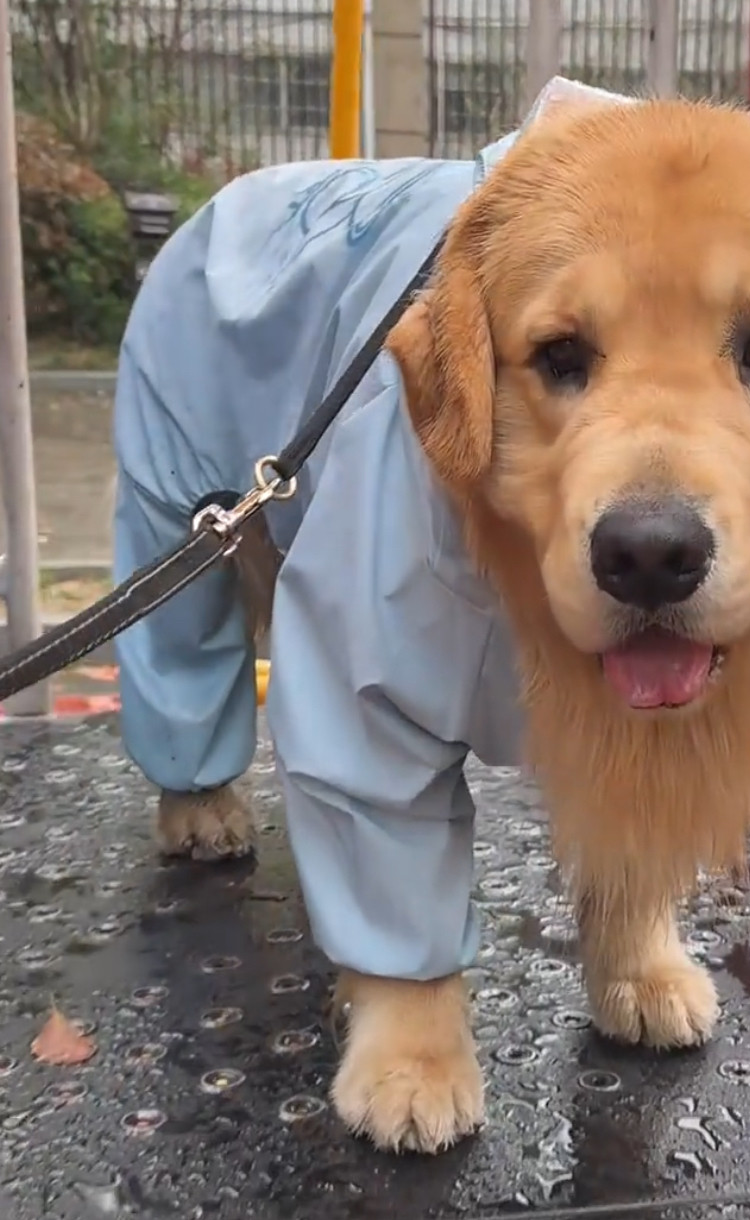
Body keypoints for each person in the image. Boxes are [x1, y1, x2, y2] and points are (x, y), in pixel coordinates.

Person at [112, 76, 622, 984]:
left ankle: (631, 936)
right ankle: (190, 775)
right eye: (566, 355)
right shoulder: (239, 265)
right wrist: (405, 980)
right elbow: (366, 677)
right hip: (230, 299)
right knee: (197, 552)